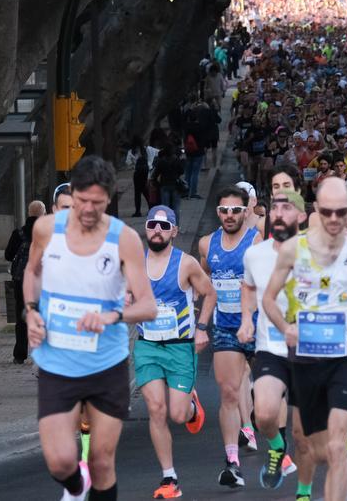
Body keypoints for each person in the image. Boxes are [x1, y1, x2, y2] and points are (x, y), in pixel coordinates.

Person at [23, 156, 155, 501]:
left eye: (97, 203)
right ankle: (75, 486)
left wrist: (112, 316)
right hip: (57, 362)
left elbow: (147, 305)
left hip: (105, 364)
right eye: (81, 201)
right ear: (73, 195)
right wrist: (32, 311)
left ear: (109, 200)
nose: (87, 209)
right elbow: (32, 272)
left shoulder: (123, 239)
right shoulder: (46, 229)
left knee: (101, 460)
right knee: (61, 461)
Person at [262, 177, 347, 501]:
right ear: (317, 209)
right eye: (328, 212)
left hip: (346, 356)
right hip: (304, 359)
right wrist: (284, 327)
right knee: (310, 446)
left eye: (341, 212)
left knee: (335, 447)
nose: (334, 219)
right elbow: (268, 298)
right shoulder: (293, 249)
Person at [134, 205, 215, 499]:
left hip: (180, 347)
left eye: (164, 226)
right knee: (156, 409)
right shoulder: (134, 264)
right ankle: (170, 478)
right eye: (153, 225)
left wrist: (203, 327)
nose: (157, 230)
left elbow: (210, 293)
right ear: (146, 228)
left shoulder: (186, 264)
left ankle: (192, 406)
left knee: (178, 415)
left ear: (175, 232)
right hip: (148, 347)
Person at [237, 189, 307, 493]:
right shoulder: (255, 253)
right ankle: (277, 448)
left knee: (304, 434)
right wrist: (245, 321)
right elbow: (248, 288)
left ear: (301, 217)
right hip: (271, 347)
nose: (279, 214)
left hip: (310, 352)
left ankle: (304, 492)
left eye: (287, 209)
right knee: (263, 414)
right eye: (275, 209)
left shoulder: (316, 251)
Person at [199, 186, 263, 488]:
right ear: (218, 212)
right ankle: (231, 462)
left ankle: (278, 448)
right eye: (224, 210)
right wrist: (199, 324)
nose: (229, 215)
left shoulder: (258, 241)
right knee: (228, 392)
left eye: (235, 210)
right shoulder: (206, 244)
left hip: (258, 327)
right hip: (225, 327)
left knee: (266, 399)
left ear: (245, 211)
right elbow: (205, 282)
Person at [5, 200, 46, 364]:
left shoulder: (19, 234)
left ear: (29, 213)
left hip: (21, 281)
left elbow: (8, 255)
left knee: (21, 316)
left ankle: (20, 353)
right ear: (43, 214)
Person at [126, 137, 158, 217]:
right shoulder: (147, 149)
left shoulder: (131, 152)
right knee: (146, 192)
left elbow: (128, 163)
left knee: (137, 194)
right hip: (146, 173)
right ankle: (151, 209)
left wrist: (134, 165)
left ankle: (138, 211)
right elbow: (158, 152)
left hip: (137, 174)